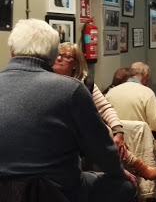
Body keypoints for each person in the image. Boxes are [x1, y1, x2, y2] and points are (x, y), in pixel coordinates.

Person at [0, 19, 136, 202]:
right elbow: (101, 148)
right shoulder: (70, 90)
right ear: (53, 54)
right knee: (125, 186)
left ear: (12, 51)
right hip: (57, 192)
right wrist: (119, 172)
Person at [53, 43, 156, 180]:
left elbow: (105, 107)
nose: (58, 58)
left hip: (81, 134)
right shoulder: (47, 81)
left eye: (65, 56)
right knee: (102, 130)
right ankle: (134, 166)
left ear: (75, 63)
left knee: (107, 133)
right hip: (59, 131)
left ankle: (119, 177)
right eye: (57, 55)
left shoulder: (86, 82)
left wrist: (119, 131)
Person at [106, 62, 156, 132]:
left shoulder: (111, 93)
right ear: (146, 75)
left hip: (117, 140)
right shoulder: (147, 93)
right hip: (141, 141)